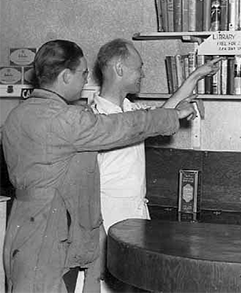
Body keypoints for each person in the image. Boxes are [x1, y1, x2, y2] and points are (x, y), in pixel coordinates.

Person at [1, 39, 218, 293]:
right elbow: (119, 127)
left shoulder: (17, 115)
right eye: (82, 74)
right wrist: (174, 115)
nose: (85, 81)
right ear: (65, 76)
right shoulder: (68, 119)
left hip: (22, 229)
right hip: (52, 231)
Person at [90, 38, 221, 291]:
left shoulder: (129, 109)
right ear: (119, 69)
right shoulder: (96, 119)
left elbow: (159, 116)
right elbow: (154, 120)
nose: (143, 72)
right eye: (138, 67)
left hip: (135, 218)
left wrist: (195, 76)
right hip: (108, 222)